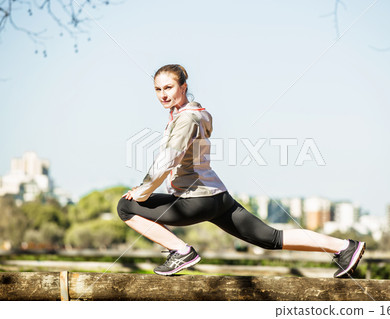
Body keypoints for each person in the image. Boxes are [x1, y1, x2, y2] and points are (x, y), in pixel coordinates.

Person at [117, 64, 365, 277]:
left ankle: (181, 252)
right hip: (218, 197)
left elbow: (168, 159)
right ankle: (344, 247)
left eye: (168, 87)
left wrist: (142, 191)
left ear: (183, 86)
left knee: (125, 207)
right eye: (158, 90)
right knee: (271, 238)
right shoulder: (196, 115)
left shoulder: (186, 119)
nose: (163, 94)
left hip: (196, 200)